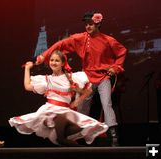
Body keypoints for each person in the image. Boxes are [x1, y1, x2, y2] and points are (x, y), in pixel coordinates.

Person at [35, 11, 127, 146]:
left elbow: (122, 51)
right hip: (87, 78)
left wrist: (115, 67)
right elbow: (61, 44)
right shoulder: (80, 38)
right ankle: (79, 137)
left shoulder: (108, 40)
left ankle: (113, 136)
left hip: (103, 77)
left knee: (106, 104)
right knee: (82, 108)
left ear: (98, 24)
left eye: (91, 24)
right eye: (86, 24)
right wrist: (44, 56)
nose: (88, 27)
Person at [9, 50, 108, 146]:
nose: (53, 62)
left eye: (57, 60)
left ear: (63, 63)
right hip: (51, 110)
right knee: (60, 139)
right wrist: (27, 68)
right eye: (52, 60)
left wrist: (77, 101)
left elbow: (88, 91)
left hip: (65, 111)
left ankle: (85, 153)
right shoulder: (46, 80)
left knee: (63, 137)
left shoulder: (70, 78)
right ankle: (85, 153)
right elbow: (27, 86)